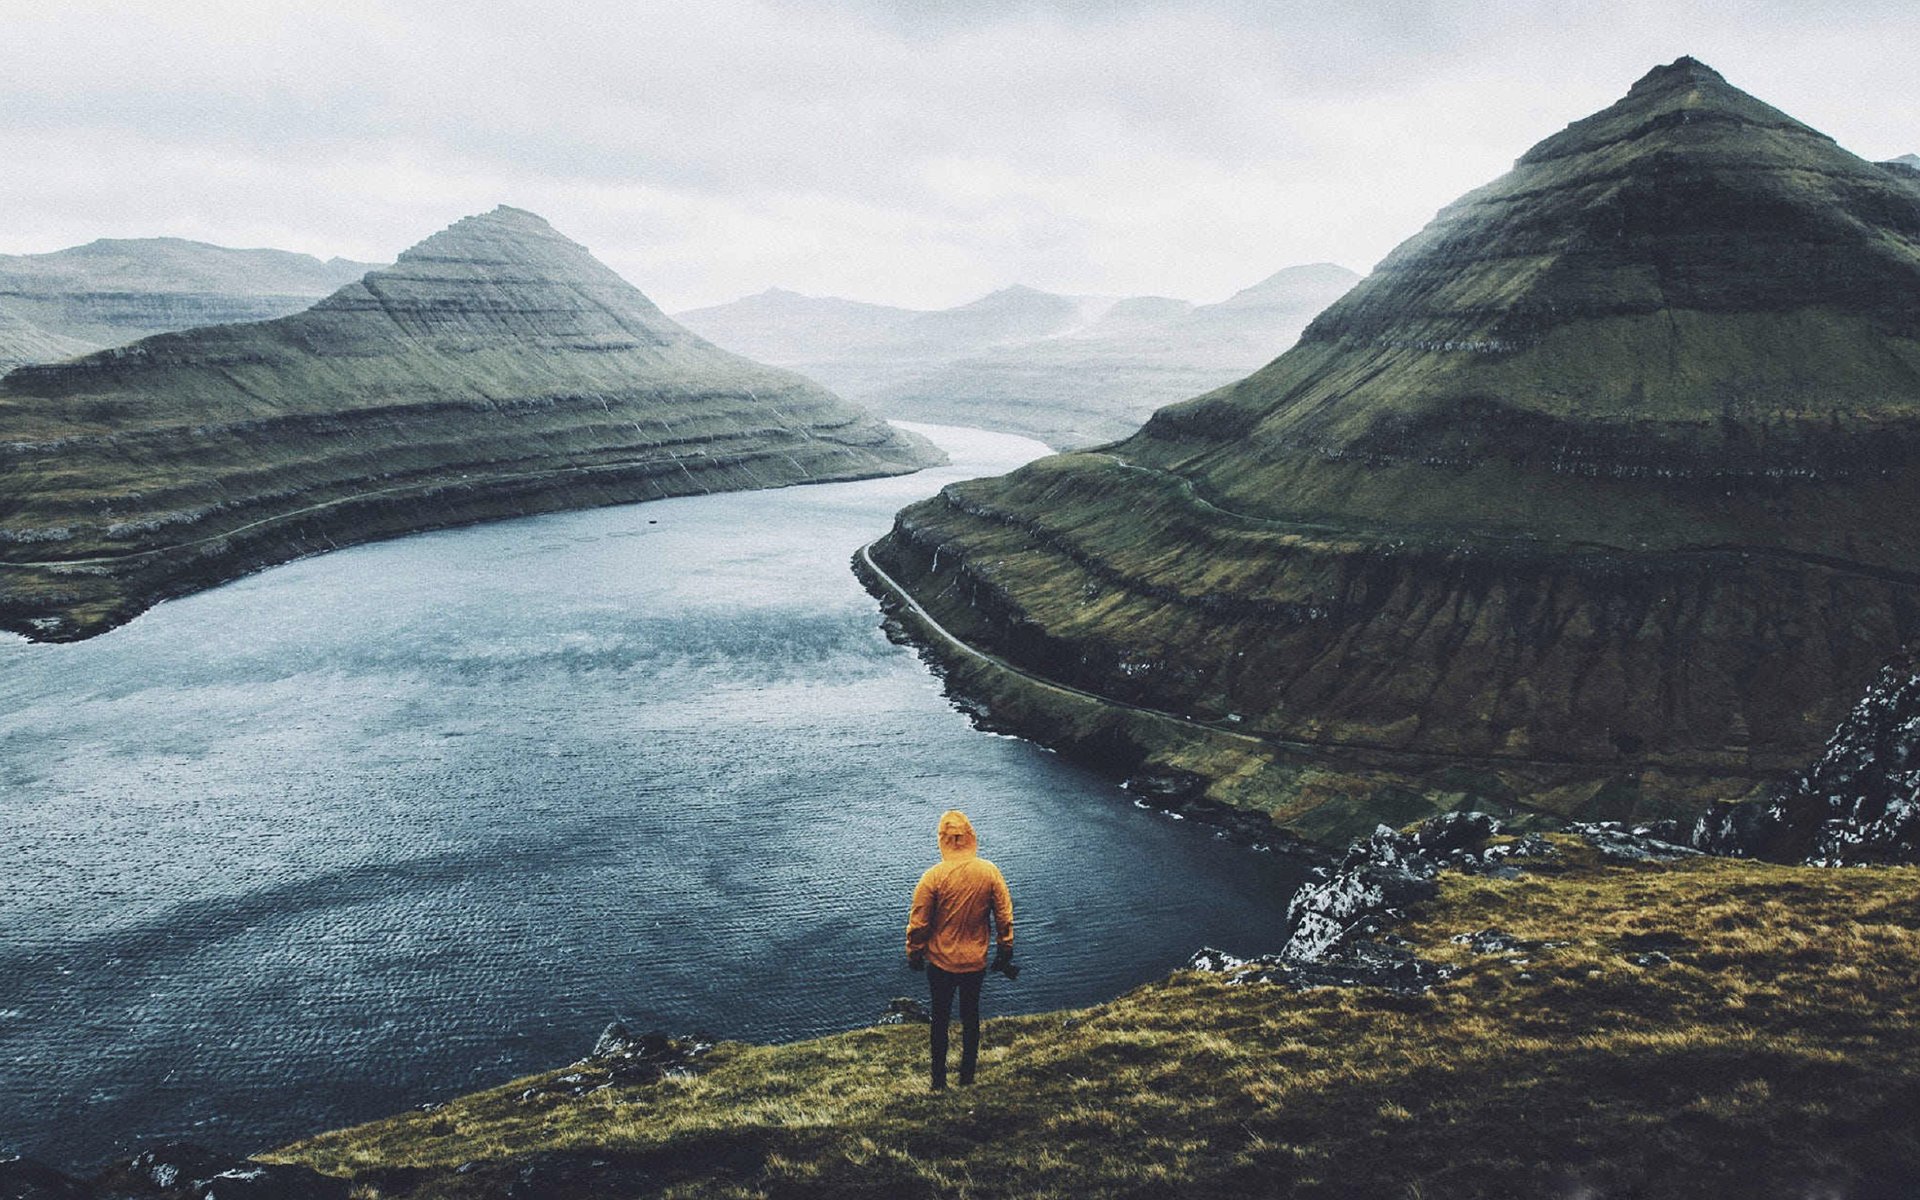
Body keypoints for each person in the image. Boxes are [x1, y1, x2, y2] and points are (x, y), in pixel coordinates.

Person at [905, 809, 1015, 1090]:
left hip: (940, 963)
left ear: (942, 839)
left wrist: (914, 953)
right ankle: (967, 1078)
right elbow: (1004, 916)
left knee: (940, 1020)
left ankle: (938, 1081)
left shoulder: (933, 877)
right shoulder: (989, 872)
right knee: (971, 1017)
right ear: (970, 836)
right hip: (974, 961)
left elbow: (919, 923)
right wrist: (1005, 948)